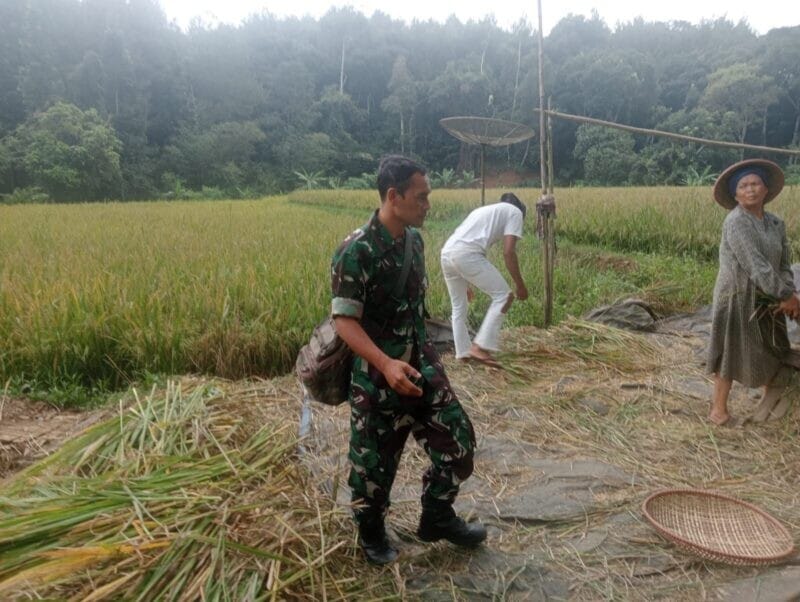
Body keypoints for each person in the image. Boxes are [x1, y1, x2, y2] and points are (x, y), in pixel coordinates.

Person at [330, 155, 486, 565]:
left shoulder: (415, 241)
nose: (428, 205)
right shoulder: (356, 250)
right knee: (373, 467)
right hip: (377, 374)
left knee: (458, 439)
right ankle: (371, 533)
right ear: (393, 196)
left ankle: (436, 515)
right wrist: (385, 364)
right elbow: (345, 321)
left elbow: (413, 303)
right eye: (421, 197)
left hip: (420, 360)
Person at [707, 158, 800, 426]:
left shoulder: (776, 223)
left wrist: (787, 291)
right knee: (731, 351)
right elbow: (756, 266)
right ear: (735, 194)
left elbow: (784, 263)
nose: (750, 189)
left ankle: (771, 397)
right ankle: (718, 411)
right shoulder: (736, 222)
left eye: (755, 184)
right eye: (744, 186)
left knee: (774, 343)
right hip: (737, 296)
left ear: (766, 189)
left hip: (767, 295)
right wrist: (786, 296)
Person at [440, 193, 529, 367]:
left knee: (459, 307)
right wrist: (520, 286)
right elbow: (509, 252)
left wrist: (465, 277)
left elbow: (463, 240)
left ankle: (463, 353)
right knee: (504, 296)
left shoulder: (483, 211)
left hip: (447, 253)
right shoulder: (516, 213)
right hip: (466, 255)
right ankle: (480, 347)